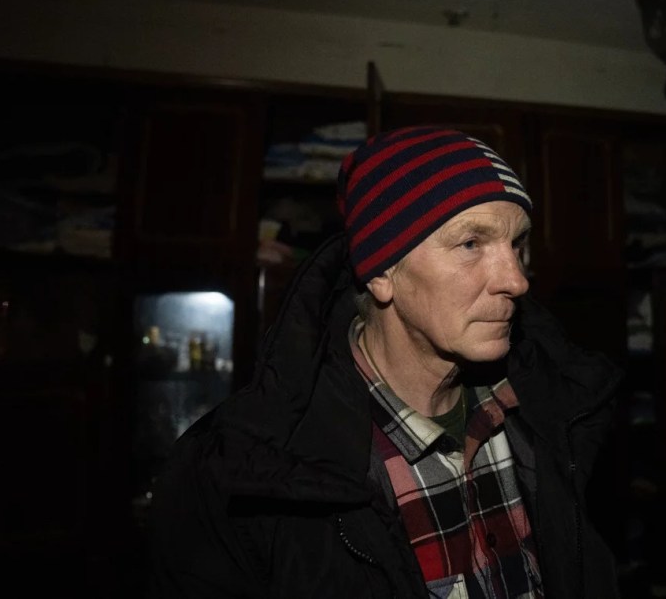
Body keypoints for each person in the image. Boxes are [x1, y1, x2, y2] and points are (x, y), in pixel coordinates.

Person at [147, 126, 625, 598]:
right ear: (381, 272)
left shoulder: (556, 412)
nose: (516, 280)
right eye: (470, 244)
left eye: (517, 244)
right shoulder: (236, 470)